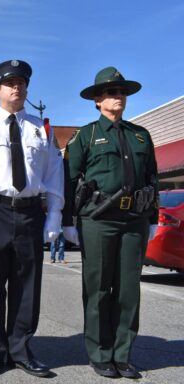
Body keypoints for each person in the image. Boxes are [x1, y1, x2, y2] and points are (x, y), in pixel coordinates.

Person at [0, 60, 64, 378]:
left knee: (27, 286)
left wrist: (55, 215)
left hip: (31, 211)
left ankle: (20, 350)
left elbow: (54, 174)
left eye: (21, 82)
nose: (17, 87)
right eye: (10, 83)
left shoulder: (41, 129)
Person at [63, 67, 158, 379]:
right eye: (111, 92)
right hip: (98, 220)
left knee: (129, 290)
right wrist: (68, 222)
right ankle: (100, 354)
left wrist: (153, 219)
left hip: (135, 221)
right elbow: (69, 179)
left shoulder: (141, 135)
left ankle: (123, 354)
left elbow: (152, 179)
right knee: (99, 288)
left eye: (122, 92)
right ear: (97, 100)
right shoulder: (86, 135)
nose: (119, 97)